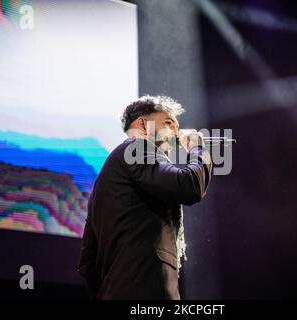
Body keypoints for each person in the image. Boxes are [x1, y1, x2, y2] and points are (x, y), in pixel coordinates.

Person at [77, 95, 213, 299]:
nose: (175, 134)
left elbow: (88, 262)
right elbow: (190, 185)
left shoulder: (105, 180)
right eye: (169, 123)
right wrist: (197, 148)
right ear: (142, 123)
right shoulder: (137, 148)